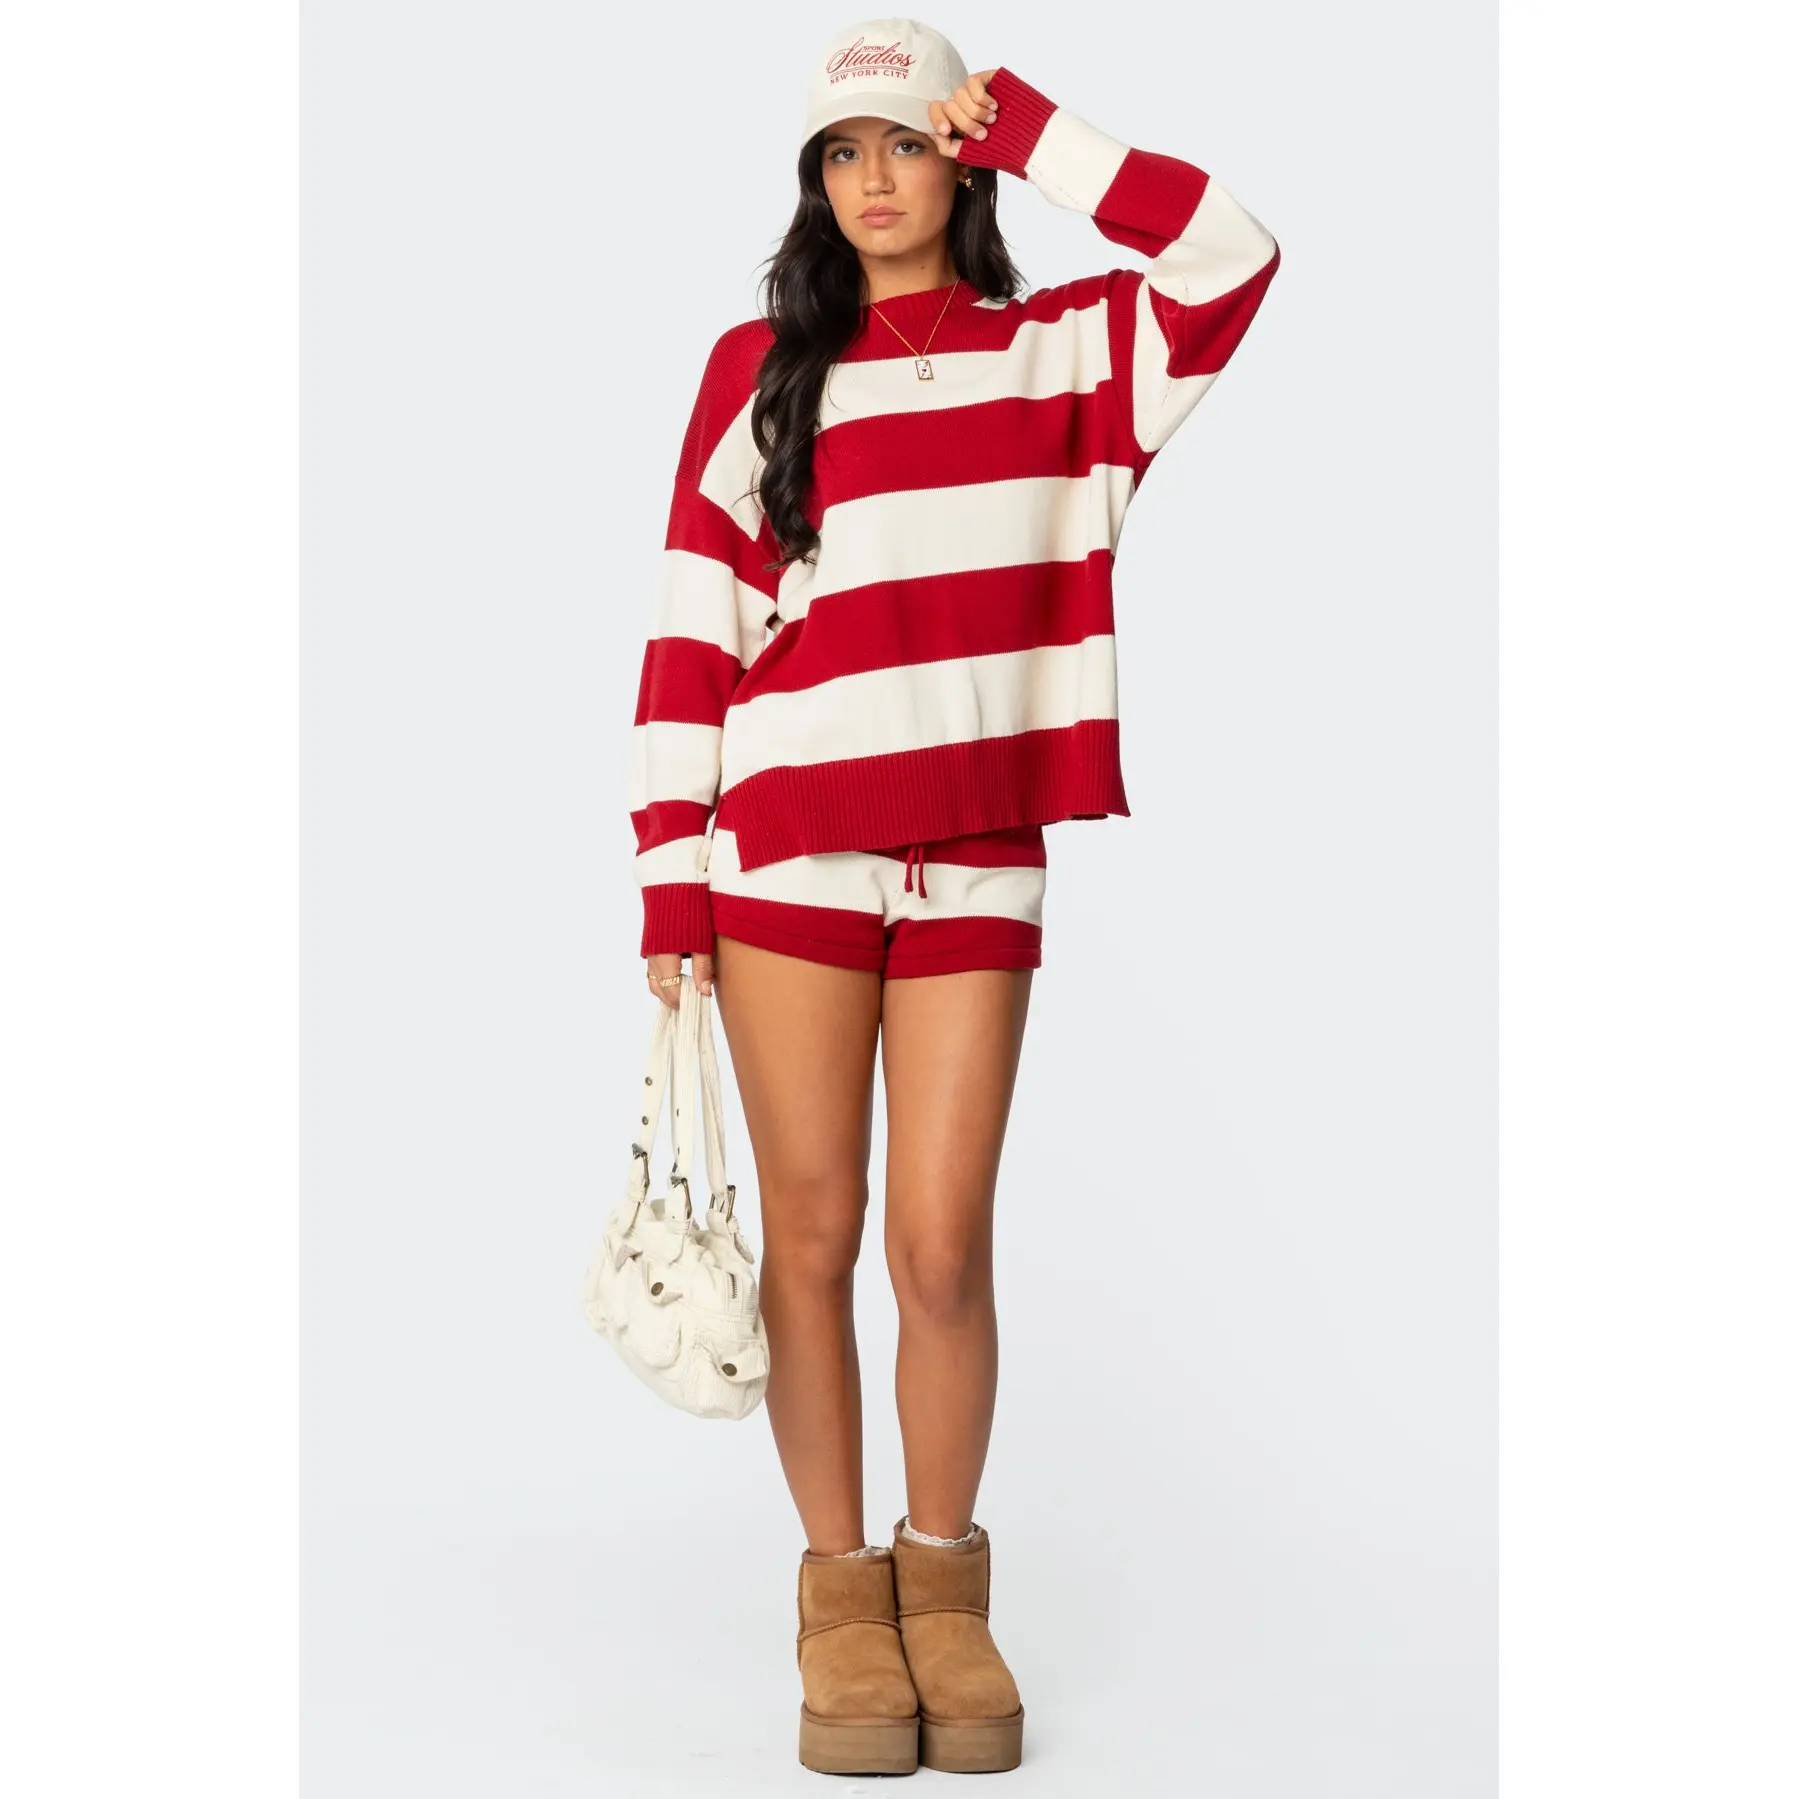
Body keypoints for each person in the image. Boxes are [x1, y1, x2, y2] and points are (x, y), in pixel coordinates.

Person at [626, 17, 1280, 1776]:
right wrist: (668, 878)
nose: (872, 180)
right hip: (785, 845)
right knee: (815, 1236)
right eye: (842, 153)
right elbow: (692, 625)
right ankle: (843, 1604)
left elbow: (1230, 256)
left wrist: (1038, 128)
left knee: (938, 1244)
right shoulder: (761, 368)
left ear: (958, 160)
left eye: (906, 144)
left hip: (978, 844)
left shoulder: (1064, 353)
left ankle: (946, 1591)